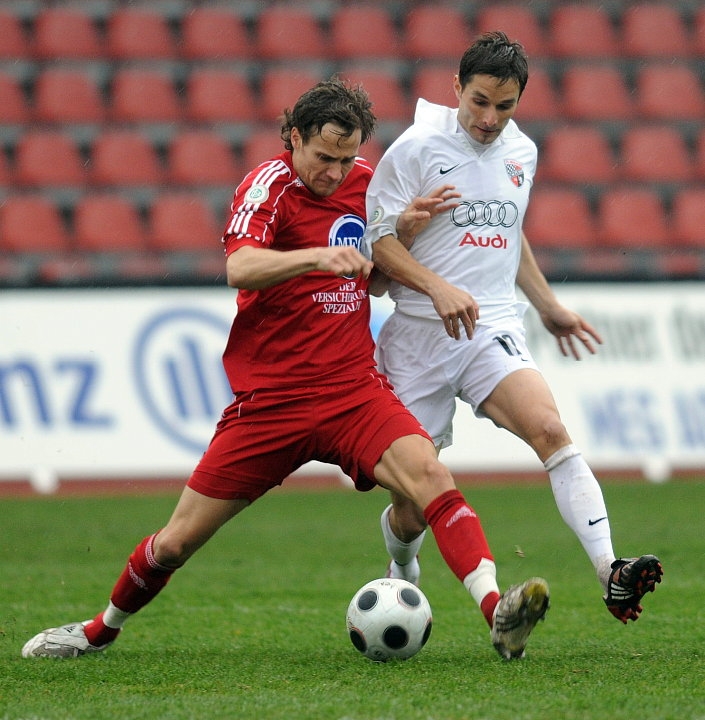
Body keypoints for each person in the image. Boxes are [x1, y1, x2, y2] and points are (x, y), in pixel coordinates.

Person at [22, 78, 548, 663]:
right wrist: (316, 256)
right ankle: (100, 629)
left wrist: (400, 235)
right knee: (173, 544)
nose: (335, 172)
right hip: (272, 402)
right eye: (324, 157)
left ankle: (497, 611)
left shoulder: (367, 184)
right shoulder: (268, 187)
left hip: (352, 390)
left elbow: (372, 280)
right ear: (294, 137)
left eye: (346, 158)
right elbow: (241, 267)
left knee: (430, 475)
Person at [364, 33, 662, 624]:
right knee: (412, 507)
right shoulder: (415, 148)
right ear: (456, 86)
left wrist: (547, 305)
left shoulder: (521, 151)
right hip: (418, 336)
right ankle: (403, 568)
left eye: (504, 106)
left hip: (490, 327)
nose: (489, 118)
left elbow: (510, 231)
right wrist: (435, 286)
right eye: (479, 101)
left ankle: (610, 571)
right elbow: (378, 244)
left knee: (550, 429)